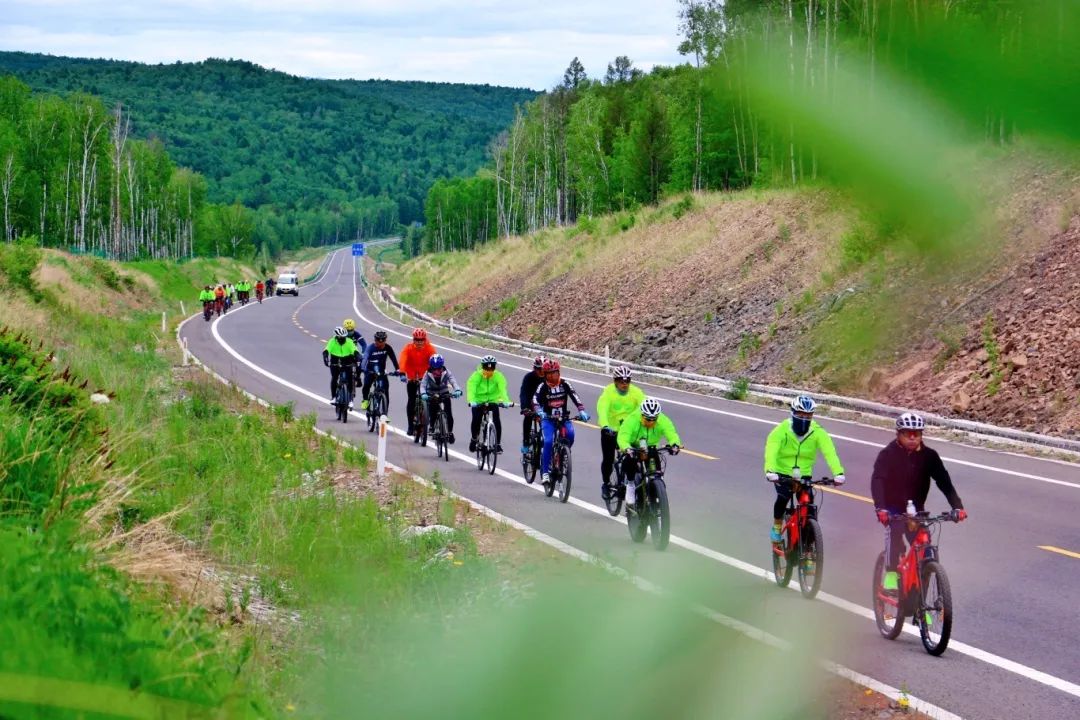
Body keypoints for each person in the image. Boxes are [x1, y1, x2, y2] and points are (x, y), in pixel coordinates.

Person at [871, 412, 967, 595]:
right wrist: (880, 507)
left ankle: (920, 603)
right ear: (898, 434)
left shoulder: (929, 456)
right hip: (893, 508)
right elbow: (877, 480)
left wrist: (957, 506)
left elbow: (944, 481)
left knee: (927, 551)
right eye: (908, 433)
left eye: (917, 433)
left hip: (917, 510)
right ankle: (891, 573)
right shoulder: (887, 454)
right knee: (895, 532)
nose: (913, 438)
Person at [763, 395, 846, 544]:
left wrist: (838, 473)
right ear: (793, 413)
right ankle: (776, 527)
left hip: (804, 474)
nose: (804, 418)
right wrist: (770, 471)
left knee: (809, 508)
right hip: (782, 473)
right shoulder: (781, 430)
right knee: (783, 498)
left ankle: (809, 548)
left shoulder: (817, 432)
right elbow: (771, 450)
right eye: (801, 414)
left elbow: (830, 452)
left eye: (808, 415)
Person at [532, 359, 589, 488]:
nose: (553, 377)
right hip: (548, 419)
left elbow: (575, 396)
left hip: (563, 418)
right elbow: (535, 399)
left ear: (559, 372)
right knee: (547, 441)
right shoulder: (543, 386)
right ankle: (545, 471)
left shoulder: (565, 384)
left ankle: (563, 454)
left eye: (555, 373)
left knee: (570, 434)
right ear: (545, 375)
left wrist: (582, 410)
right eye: (550, 374)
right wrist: (539, 411)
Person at [616, 398, 681, 506]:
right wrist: (626, 447)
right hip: (633, 445)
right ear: (641, 414)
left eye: (653, 420)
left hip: (650, 447)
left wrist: (675, 444)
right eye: (647, 419)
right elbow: (623, 436)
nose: (650, 422)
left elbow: (671, 433)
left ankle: (658, 493)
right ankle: (631, 485)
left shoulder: (662, 420)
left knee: (657, 472)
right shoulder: (632, 419)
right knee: (629, 459)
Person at [597, 365, 647, 498]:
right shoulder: (608, 392)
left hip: (631, 432)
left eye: (627, 381)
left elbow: (645, 406)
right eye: (621, 381)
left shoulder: (636, 392)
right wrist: (605, 425)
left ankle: (647, 478)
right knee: (608, 459)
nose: (624, 384)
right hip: (612, 431)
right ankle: (606, 483)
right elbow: (602, 408)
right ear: (615, 381)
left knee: (645, 450)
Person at [467, 355, 512, 454]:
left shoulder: (498, 376)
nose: (489, 370)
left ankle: (498, 444)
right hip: (478, 401)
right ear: (482, 367)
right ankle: (474, 439)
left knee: (497, 420)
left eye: (492, 367)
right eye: (486, 367)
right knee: (476, 420)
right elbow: (471, 389)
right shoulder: (476, 376)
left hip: (492, 401)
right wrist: (471, 400)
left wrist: (506, 401)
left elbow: (502, 390)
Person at [400, 327, 437, 436]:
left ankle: (430, 422)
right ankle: (410, 425)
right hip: (412, 376)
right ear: (413, 340)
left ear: (425, 339)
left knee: (431, 399)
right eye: (417, 340)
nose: (419, 342)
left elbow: (435, 361)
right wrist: (402, 372)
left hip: (425, 377)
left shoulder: (429, 348)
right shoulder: (408, 348)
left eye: (422, 340)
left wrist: (436, 374)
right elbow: (403, 359)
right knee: (411, 400)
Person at [420, 354, 462, 443]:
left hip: (444, 392)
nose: (436, 371)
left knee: (449, 414)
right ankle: (431, 426)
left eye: (439, 368)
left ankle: (450, 432)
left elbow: (453, 381)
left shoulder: (447, 372)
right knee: (433, 410)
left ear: (442, 366)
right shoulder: (427, 374)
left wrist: (457, 389)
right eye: (434, 369)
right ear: (431, 367)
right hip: (432, 393)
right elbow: (423, 385)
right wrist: (423, 393)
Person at [359, 330, 401, 414]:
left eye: (383, 341)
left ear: (385, 340)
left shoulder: (388, 348)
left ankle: (385, 414)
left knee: (385, 391)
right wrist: (363, 368)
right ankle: (365, 400)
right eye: (378, 341)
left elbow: (393, 359)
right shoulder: (370, 348)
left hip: (381, 371)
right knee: (367, 385)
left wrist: (398, 370)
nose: (381, 343)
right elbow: (365, 358)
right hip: (370, 370)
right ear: (375, 340)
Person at [322, 326, 361, 408]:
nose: (343, 338)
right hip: (335, 360)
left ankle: (350, 400)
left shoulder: (349, 341)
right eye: (341, 337)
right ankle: (334, 398)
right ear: (337, 336)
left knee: (350, 379)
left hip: (347, 360)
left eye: (344, 337)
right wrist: (325, 358)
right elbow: (326, 350)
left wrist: (358, 358)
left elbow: (355, 350)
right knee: (334, 378)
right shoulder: (332, 341)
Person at [518, 355, 548, 455]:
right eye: (539, 369)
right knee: (528, 418)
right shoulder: (528, 377)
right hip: (530, 403)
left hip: (543, 404)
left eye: (543, 370)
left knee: (546, 423)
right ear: (534, 368)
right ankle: (526, 443)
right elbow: (524, 393)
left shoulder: (548, 378)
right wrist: (525, 408)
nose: (541, 372)